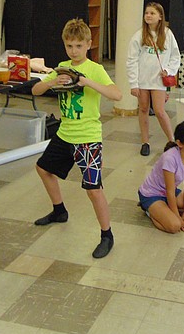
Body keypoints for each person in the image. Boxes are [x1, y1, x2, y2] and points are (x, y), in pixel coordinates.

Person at [31, 18, 122, 259]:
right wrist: (52, 81)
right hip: (64, 134)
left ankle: (107, 234)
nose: (74, 51)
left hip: (88, 139)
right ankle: (59, 210)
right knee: (42, 168)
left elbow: (116, 94)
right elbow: (34, 90)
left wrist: (86, 81)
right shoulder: (62, 66)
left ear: (89, 44)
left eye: (79, 46)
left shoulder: (95, 69)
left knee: (93, 190)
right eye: (70, 46)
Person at [127, 2, 181, 156]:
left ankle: (172, 141)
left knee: (159, 111)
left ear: (160, 16)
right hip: (142, 81)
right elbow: (131, 60)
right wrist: (133, 83)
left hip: (158, 81)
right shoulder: (138, 35)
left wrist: (169, 70)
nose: (148, 16)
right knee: (143, 109)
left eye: (152, 13)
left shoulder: (167, 34)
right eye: (147, 13)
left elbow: (175, 56)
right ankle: (145, 142)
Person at [137, 120, 184, 233]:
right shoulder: (169, 158)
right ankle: (149, 211)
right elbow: (169, 191)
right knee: (175, 226)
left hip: (169, 193)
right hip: (152, 194)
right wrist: (179, 218)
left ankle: (165, 210)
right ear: (180, 143)